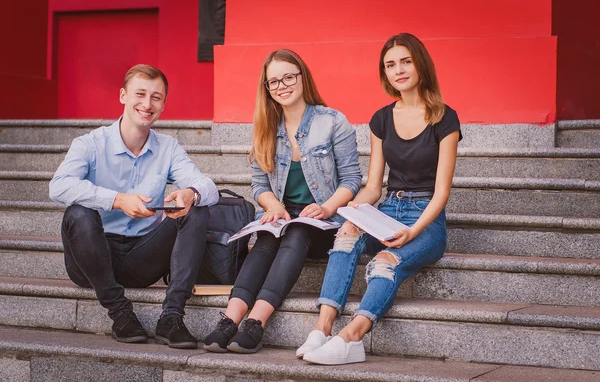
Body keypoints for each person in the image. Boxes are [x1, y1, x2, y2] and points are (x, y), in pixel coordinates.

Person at [298, 33, 462, 365]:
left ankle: (352, 337)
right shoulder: (381, 119)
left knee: (386, 261)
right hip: (388, 208)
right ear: (384, 73)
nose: (398, 70)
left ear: (420, 64)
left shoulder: (445, 118)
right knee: (345, 234)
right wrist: (355, 210)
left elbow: (442, 193)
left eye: (405, 61)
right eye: (390, 65)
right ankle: (321, 327)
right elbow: (374, 186)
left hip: (425, 219)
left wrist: (413, 231)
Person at [49, 64, 219, 349]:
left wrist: (190, 192)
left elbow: (209, 187)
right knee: (78, 212)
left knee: (197, 206)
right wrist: (117, 200)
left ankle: (172, 317)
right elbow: (59, 186)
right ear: (123, 96)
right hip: (91, 259)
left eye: (156, 97)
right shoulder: (90, 144)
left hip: (143, 257)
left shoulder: (168, 148)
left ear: (163, 104)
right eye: (140, 94)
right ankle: (121, 315)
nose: (147, 104)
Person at [203, 49, 362, 354]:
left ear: (303, 77)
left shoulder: (332, 122)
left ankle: (256, 323)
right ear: (267, 88)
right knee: (266, 234)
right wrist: (273, 207)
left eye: (288, 76)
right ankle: (230, 320)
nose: (282, 86)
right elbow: (260, 185)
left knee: (298, 231)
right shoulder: (266, 127)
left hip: (325, 223)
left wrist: (327, 207)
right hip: (286, 218)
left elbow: (352, 180)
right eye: (273, 81)